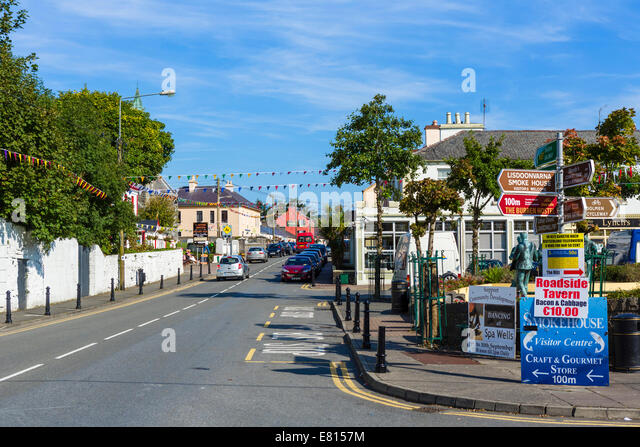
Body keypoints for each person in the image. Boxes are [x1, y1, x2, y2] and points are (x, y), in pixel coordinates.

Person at [509, 232, 539, 298]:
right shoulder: (533, 245)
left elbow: (515, 257)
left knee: (520, 281)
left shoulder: (520, 246)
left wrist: (513, 256)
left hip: (521, 266)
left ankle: (525, 296)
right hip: (529, 266)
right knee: (525, 283)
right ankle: (523, 296)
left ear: (521, 237)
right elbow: (536, 257)